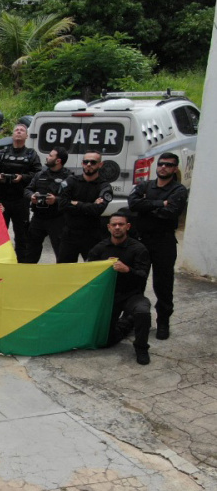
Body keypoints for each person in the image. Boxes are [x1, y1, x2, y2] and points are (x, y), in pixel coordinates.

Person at [127, 152, 188, 340]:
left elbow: (170, 213)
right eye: (161, 164)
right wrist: (159, 203)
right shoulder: (145, 185)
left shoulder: (179, 190)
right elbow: (133, 204)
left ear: (175, 169)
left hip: (164, 242)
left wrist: (146, 207)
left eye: (169, 165)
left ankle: (163, 321)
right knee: (136, 282)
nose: (164, 167)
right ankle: (132, 319)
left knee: (163, 285)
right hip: (142, 241)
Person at [88, 212, 152, 365]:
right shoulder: (101, 247)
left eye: (121, 224)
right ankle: (126, 324)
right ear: (109, 227)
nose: (117, 227)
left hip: (132, 295)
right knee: (105, 342)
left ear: (127, 227)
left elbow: (143, 275)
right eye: (114, 225)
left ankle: (141, 348)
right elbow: (88, 269)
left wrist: (127, 270)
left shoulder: (139, 248)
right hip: (109, 296)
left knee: (143, 311)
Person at [0, 123, 41, 262]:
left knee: (22, 236)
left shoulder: (31, 154)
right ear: (12, 134)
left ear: (26, 136)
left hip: (21, 201)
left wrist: (22, 178)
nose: (19, 132)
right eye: (16, 129)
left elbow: (37, 174)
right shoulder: (2, 154)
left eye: (22, 130)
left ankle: (21, 264)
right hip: (2, 200)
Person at [58, 150, 113, 263]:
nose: (88, 165)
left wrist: (76, 203)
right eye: (86, 162)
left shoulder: (104, 186)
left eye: (93, 162)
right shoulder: (71, 181)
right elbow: (62, 204)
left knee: (92, 271)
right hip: (69, 235)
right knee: (63, 271)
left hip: (91, 236)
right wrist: (90, 206)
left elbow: (98, 209)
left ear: (100, 164)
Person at [24, 146, 70, 263]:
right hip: (38, 218)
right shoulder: (40, 174)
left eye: (50, 155)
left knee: (61, 252)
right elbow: (27, 190)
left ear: (58, 160)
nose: (47, 157)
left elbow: (71, 199)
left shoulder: (69, 177)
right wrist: (32, 196)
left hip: (57, 219)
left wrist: (56, 200)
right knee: (30, 250)